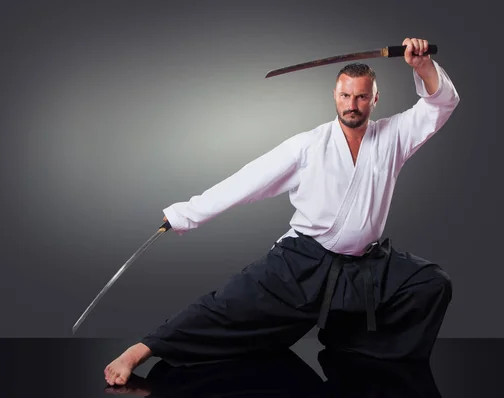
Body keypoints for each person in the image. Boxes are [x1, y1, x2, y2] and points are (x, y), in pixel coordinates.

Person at [104, 37, 460, 386]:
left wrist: (423, 65)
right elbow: (245, 183)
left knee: (430, 284)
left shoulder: (393, 136)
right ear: (335, 97)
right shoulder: (307, 146)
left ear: (375, 98)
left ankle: (351, 345)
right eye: (346, 95)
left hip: (363, 265)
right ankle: (140, 350)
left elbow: (439, 106)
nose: (353, 104)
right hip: (303, 262)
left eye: (362, 96)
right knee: (226, 305)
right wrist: (184, 215)